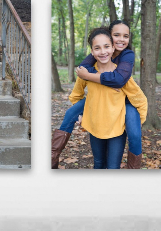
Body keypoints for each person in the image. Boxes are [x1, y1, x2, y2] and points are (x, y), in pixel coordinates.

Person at [52, 19, 144, 168]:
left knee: (134, 135)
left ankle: (133, 170)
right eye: (116, 35)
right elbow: (79, 84)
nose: (121, 39)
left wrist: (136, 120)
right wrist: (83, 114)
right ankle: (52, 156)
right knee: (70, 114)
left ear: (112, 47)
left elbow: (122, 81)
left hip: (122, 111)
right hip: (97, 120)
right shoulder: (92, 62)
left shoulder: (127, 56)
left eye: (125, 36)